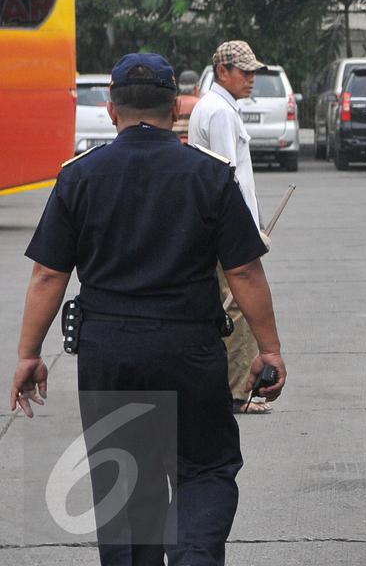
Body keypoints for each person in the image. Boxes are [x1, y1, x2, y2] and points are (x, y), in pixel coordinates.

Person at [9, 53, 286, 566]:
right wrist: (268, 349)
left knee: (123, 481)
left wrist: (29, 354)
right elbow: (245, 272)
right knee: (204, 469)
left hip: (108, 352)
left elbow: (49, 273)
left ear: (111, 108)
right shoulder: (210, 176)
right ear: (178, 108)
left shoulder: (79, 177)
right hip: (190, 349)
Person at [188, 40, 271, 414]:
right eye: (245, 71)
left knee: (232, 303)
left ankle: (233, 389)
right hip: (228, 229)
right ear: (223, 71)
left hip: (227, 227)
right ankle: (239, 392)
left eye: (254, 71)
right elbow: (227, 177)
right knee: (238, 305)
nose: (251, 78)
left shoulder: (218, 106)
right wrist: (244, 231)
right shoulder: (219, 112)